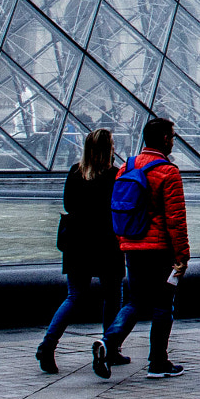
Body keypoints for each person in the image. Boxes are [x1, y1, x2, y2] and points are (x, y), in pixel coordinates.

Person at [94, 118, 188, 380]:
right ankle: (158, 363)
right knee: (163, 306)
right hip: (159, 249)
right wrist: (182, 255)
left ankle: (108, 342)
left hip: (131, 245)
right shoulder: (168, 172)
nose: (173, 140)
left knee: (135, 301)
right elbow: (176, 219)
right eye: (172, 136)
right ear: (164, 140)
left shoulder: (126, 166)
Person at [39, 128, 123, 374]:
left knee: (74, 296)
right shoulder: (114, 175)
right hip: (107, 242)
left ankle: (48, 345)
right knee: (113, 296)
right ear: (109, 148)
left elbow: (68, 204)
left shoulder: (75, 172)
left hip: (76, 243)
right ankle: (110, 348)